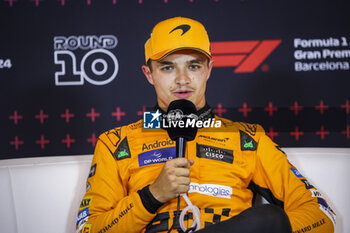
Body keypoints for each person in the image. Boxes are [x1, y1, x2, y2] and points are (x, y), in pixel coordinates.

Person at [76, 17, 336, 233]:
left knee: (269, 219)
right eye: (167, 67)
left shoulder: (248, 139)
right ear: (149, 74)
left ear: (209, 69)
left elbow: (321, 215)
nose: (182, 79)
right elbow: (88, 229)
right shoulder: (115, 142)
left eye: (193, 66)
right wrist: (151, 195)